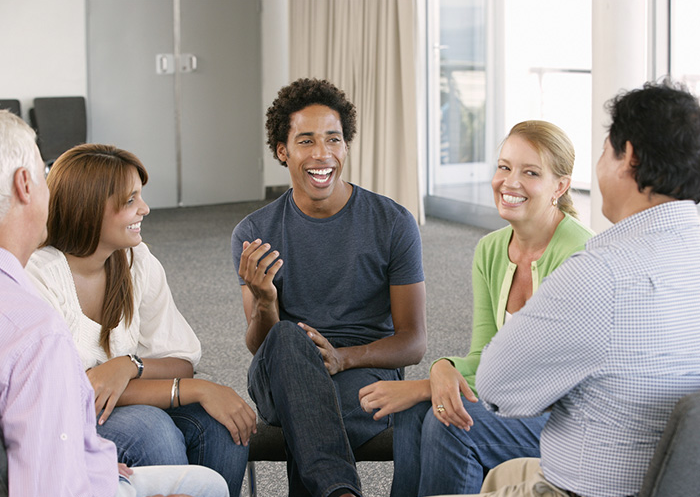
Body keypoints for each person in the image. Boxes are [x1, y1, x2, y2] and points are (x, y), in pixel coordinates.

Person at [462, 79, 700, 497]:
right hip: (679, 482)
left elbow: (497, 386)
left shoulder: (600, 271)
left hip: (586, 486)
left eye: (605, 151)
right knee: (503, 474)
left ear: (628, 157)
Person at [0, 109, 229, 496]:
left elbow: (180, 358)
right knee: (152, 430)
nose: (145, 209)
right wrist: (193, 389)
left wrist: (129, 365)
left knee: (218, 426)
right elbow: (77, 398)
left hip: (94, 417)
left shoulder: (137, 261)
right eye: (130, 199)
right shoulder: (35, 295)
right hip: (77, 423)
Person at [358, 121, 593, 496]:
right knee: (415, 413)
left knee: (450, 423)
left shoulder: (579, 254)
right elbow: (486, 354)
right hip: (516, 400)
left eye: (530, 173)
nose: (510, 182)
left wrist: (425, 385)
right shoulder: (491, 249)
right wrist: (442, 368)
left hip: (573, 418)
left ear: (560, 186)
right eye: (504, 167)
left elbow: (551, 378)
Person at [232, 78, 427, 497]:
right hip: (282, 369)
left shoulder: (392, 223)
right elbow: (260, 345)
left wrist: (343, 358)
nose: (322, 153)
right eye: (306, 141)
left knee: (311, 416)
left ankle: (338, 491)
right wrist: (266, 301)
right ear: (282, 151)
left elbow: (413, 342)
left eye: (333, 139)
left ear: (346, 146)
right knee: (288, 337)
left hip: (363, 372)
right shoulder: (254, 233)